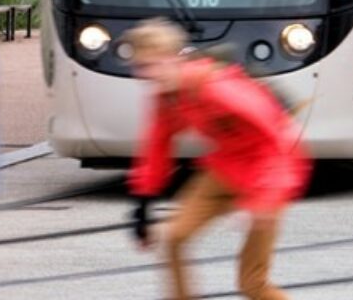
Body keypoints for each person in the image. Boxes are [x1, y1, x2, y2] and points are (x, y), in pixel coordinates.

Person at [126, 20, 310, 300]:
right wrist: (143, 204)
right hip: (225, 169)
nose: (148, 75)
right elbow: (156, 147)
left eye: (154, 64)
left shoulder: (217, 87)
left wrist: (265, 199)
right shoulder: (168, 98)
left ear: (175, 58)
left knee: (252, 283)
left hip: (266, 174)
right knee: (173, 237)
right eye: (142, 67)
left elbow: (279, 138)